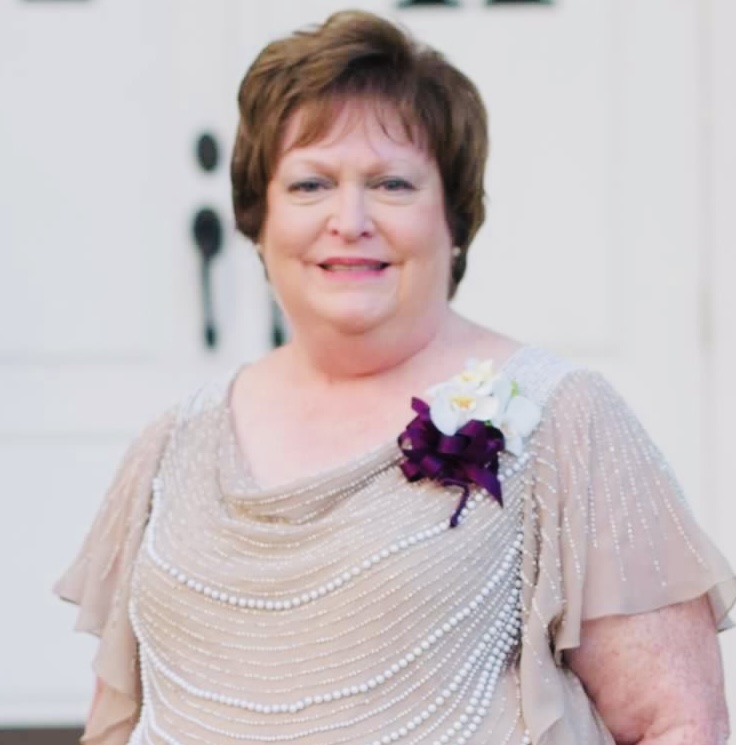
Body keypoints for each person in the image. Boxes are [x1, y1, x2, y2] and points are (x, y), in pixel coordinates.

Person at [55, 10, 735, 745]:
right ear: (259, 217)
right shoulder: (174, 443)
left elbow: (675, 722)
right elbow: (114, 720)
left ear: (453, 217)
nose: (349, 220)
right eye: (310, 184)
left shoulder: (562, 419)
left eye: (391, 184)